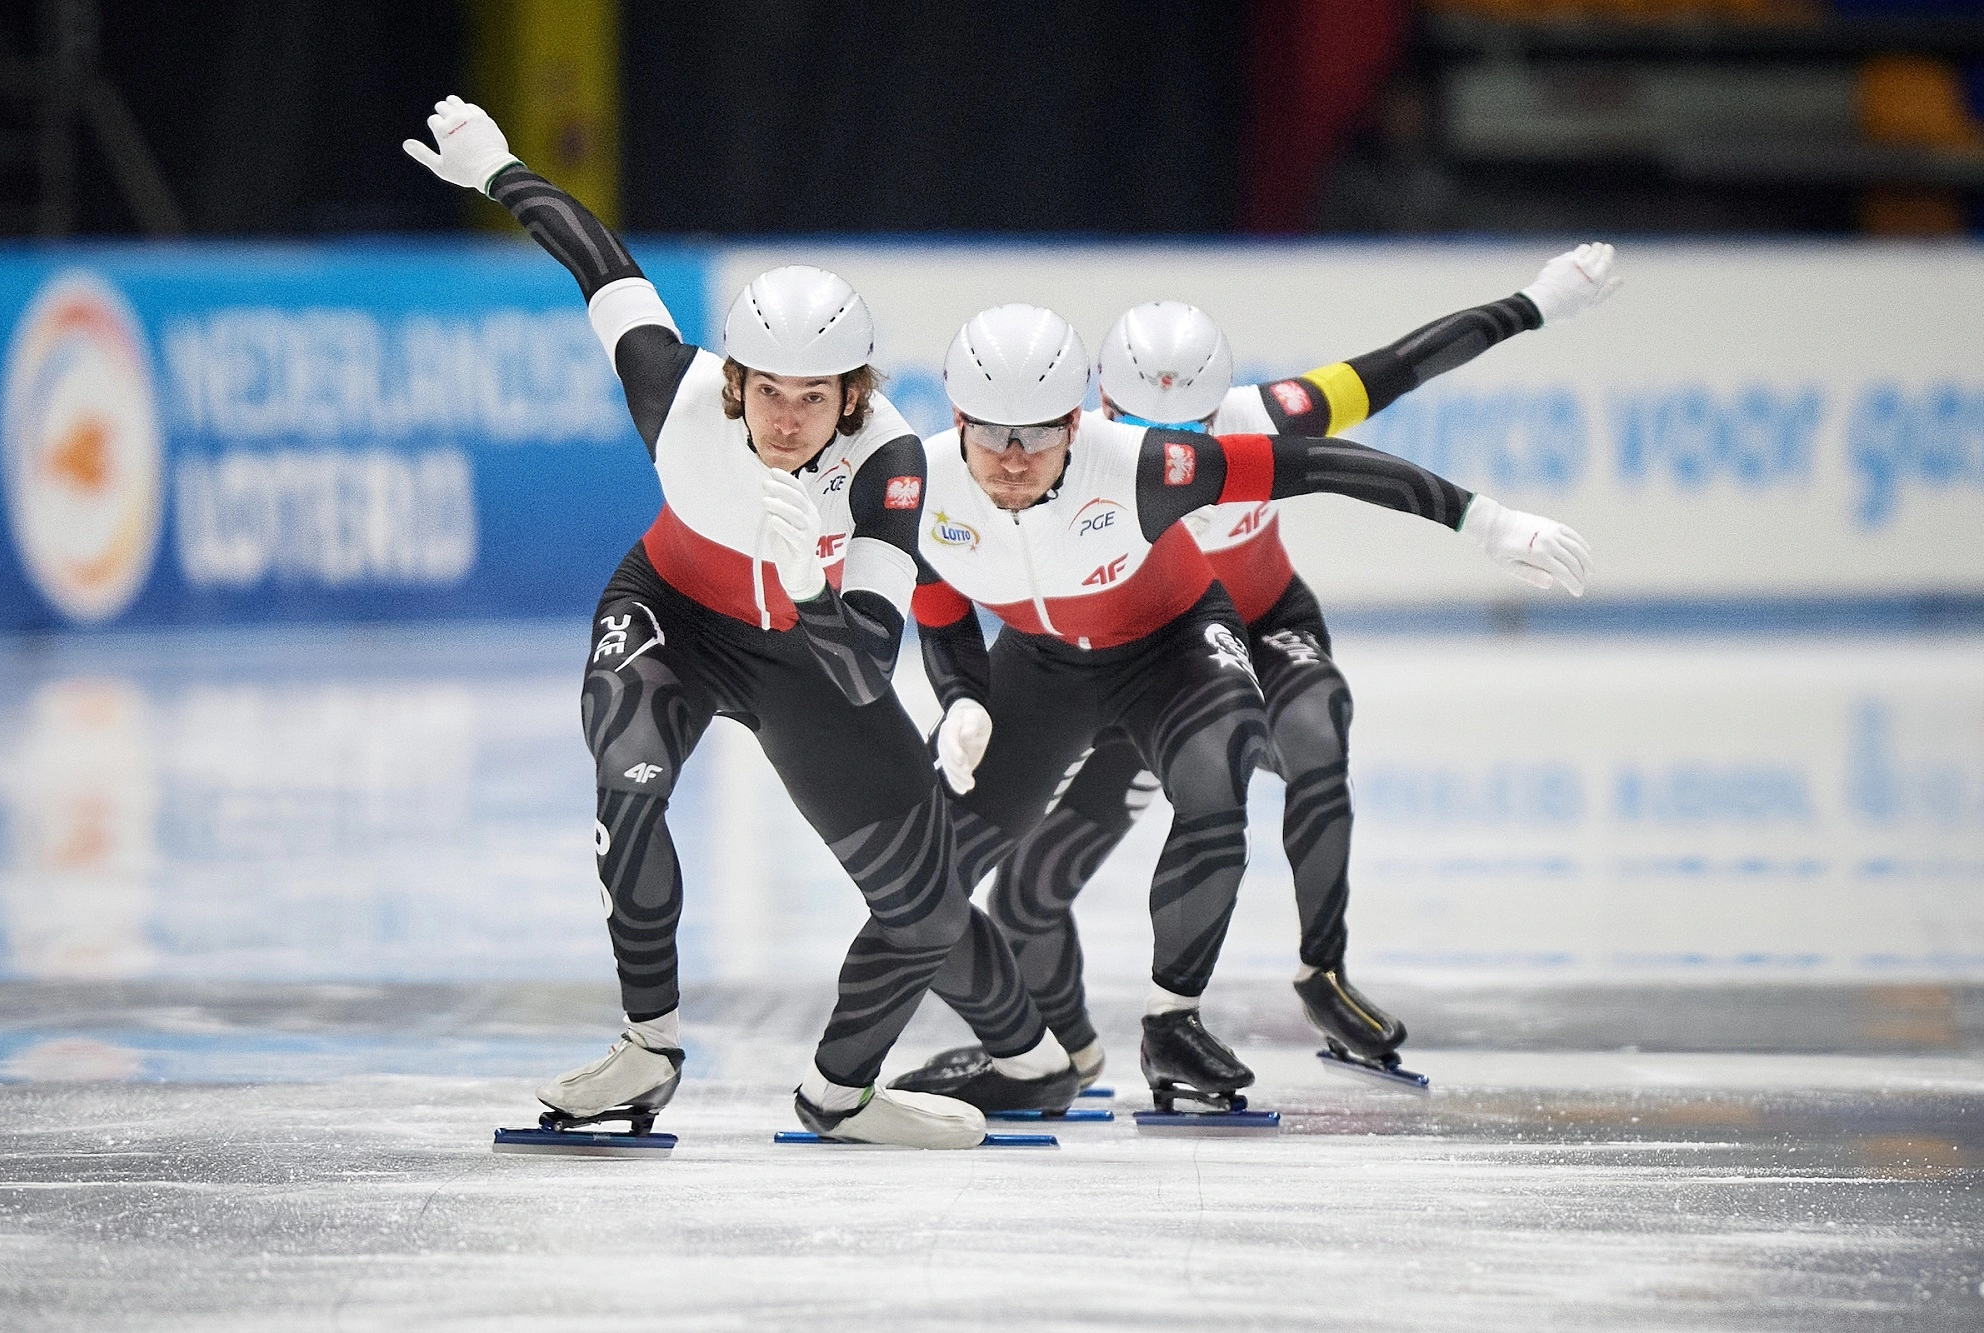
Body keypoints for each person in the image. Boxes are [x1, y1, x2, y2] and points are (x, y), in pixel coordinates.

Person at [404, 97, 1070, 1147]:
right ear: (736, 381)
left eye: (815, 397)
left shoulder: (889, 465)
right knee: (628, 790)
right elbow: (600, 264)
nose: (786, 419)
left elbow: (864, 670)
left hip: (812, 657)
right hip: (670, 611)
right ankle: (649, 1044)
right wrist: (500, 171)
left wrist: (807, 581)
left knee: (926, 907)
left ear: (853, 395)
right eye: (768, 391)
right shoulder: (672, 387)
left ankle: (1005, 1059)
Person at [909, 248, 1619, 1092]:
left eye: (1194, 428)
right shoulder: (1084, 462)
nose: (1169, 450)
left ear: (1223, 412)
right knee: (1029, 894)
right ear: (1096, 411)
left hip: (1241, 634)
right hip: (1118, 657)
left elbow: (1399, 368)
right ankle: (1063, 1053)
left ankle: (1320, 969)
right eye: (1139, 426)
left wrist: (1535, 305)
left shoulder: (1262, 421)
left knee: (1310, 725)